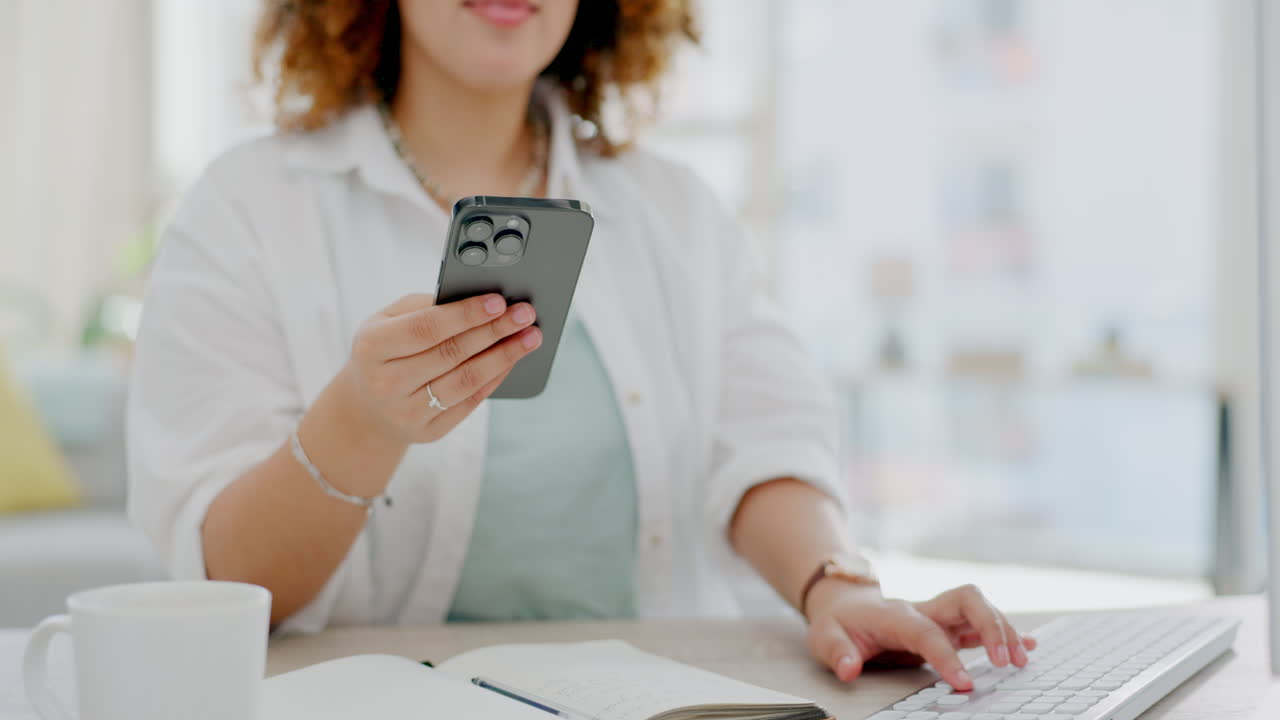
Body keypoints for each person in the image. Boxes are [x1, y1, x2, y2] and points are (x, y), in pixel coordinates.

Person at [128, 0, 1034, 690]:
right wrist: (360, 425)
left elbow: (763, 444)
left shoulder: (672, 209)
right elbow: (229, 586)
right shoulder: (249, 208)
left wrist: (835, 586)